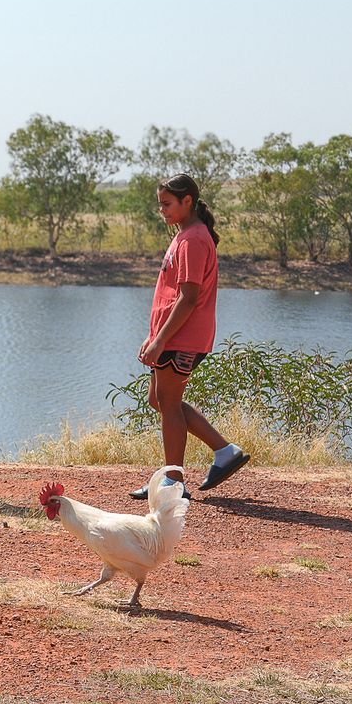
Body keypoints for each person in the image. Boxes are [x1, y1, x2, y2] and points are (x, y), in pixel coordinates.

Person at [134, 173, 248, 500]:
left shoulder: (195, 239)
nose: (163, 211)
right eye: (160, 205)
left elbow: (188, 298)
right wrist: (153, 334)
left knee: (168, 402)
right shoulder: (184, 235)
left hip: (183, 337)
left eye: (168, 204)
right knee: (159, 400)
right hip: (171, 335)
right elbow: (171, 293)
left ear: (188, 201)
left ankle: (173, 481)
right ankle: (224, 452)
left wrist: (160, 340)